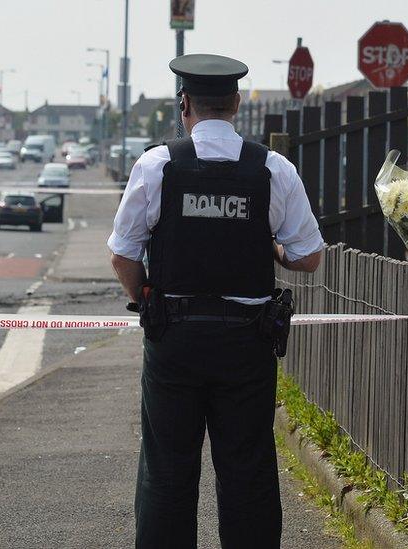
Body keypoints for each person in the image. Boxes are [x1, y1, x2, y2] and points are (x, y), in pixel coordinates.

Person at [107, 54, 324, 549]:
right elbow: (309, 256)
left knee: (166, 472)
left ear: (184, 104)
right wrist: (268, 246)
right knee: (247, 471)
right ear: (236, 103)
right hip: (246, 344)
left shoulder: (157, 165)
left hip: (175, 340)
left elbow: (122, 254)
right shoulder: (272, 168)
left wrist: (143, 296)